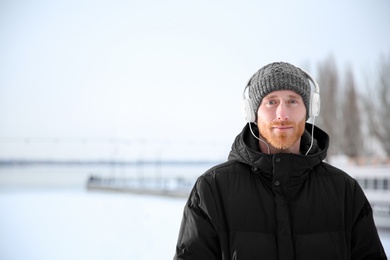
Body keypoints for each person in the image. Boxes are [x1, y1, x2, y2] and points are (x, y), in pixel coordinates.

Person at [174, 62, 387, 260]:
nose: (282, 114)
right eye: (271, 102)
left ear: (310, 110)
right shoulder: (212, 190)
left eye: (293, 101)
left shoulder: (344, 192)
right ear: (252, 113)